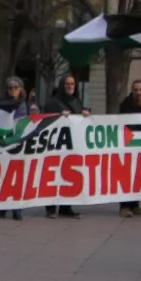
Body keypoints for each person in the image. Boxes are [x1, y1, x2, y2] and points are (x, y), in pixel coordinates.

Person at [44, 73, 89, 218]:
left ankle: (65, 207)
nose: (70, 86)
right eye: (67, 84)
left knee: (68, 175)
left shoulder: (76, 101)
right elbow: (46, 118)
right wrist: (58, 115)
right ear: (62, 85)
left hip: (71, 145)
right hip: (56, 145)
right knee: (54, 175)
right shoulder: (53, 102)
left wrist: (84, 114)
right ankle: (50, 208)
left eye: (72, 84)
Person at [0, 76, 34, 220]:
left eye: (16, 87)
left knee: (18, 176)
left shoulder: (25, 105)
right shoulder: (1, 103)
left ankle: (17, 209)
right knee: (3, 174)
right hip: (5, 142)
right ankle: (2, 208)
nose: (13, 90)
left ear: (21, 89)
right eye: (10, 88)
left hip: (19, 143)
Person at [118, 79, 141, 216]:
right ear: (132, 91)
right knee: (126, 176)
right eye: (136, 90)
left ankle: (135, 205)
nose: (138, 93)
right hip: (128, 147)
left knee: (138, 176)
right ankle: (124, 206)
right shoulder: (125, 107)